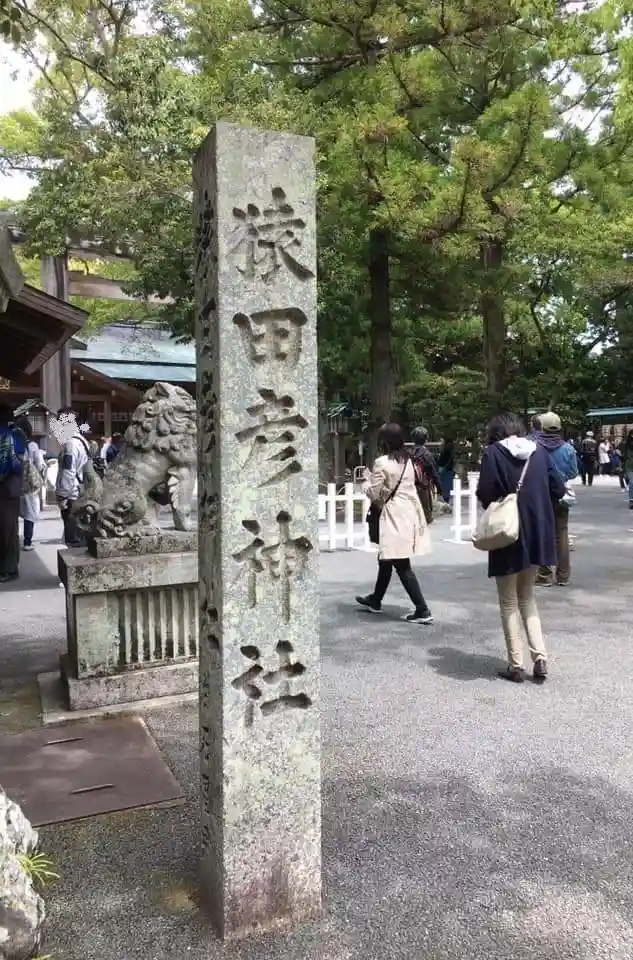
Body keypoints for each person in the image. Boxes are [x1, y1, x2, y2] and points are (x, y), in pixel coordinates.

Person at [476, 412, 565, 683]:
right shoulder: (539, 451)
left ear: (495, 432)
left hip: (508, 530)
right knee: (527, 596)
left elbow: (485, 492)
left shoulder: (493, 453)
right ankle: (540, 657)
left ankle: (515, 664)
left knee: (508, 600)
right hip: (537, 529)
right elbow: (558, 488)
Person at [356, 423, 433, 624]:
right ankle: (376, 600)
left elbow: (374, 493)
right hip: (409, 512)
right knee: (386, 558)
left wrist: (366, 481)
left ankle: (422, 610)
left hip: (393, 516)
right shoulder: (409, 460)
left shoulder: (382, 462)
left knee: (401, 564)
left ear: (385, 441)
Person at [530, 412, 578, 586]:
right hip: (561, 496)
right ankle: (563, 576)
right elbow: (573, 472)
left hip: (541, 496)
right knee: (562, 534)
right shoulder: (568, 448)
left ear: (542, 427)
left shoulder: (535, 447)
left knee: (543, 533)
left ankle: (544, 575)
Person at [55, 407, 90, 547]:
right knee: (80, 538)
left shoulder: (70, 444)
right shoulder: (82, 441)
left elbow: (68, 472)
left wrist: (62, 496)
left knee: (73, 542)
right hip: (80, 492)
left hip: (72, 497)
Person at [0, 404, 25, 582]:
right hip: (11, 488)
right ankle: (9, 568)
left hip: (7, 488)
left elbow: (15, 463)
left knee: (6, 530)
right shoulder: (16, 434)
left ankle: (8, 569)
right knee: (9, 530)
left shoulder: (10, 435)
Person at [14, 417, 46, 552]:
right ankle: (27, 542)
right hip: (29, 484)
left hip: (14, 482)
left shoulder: (12, 444)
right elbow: (39, 465)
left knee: (13, 513)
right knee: (30, 513)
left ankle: (12, 540)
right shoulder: (32, 445)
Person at [410, 426, 441, 524]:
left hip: (410, 488)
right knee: (426, 517)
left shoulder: (408, 454)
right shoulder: (427, 454)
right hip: (423, 488)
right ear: (426, 439)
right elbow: (433, 473)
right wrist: (439, 488)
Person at [436, 438, 456, 504]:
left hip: (444, 471)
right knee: (447, 488)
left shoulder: (445, 452)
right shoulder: (450, 452)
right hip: (449, 471)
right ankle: (446, 501)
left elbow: (441, 462)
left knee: (444, 487)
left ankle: (445, 500)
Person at [621, 431, 633, 506]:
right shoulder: (626, 444)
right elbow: (622, 455)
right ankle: (631, 500)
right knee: (632, 482)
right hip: (629, 466)